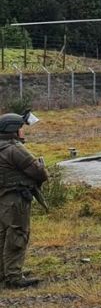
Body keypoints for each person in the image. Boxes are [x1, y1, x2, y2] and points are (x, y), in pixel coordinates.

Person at [0, 112, 48, 289]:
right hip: (16, 198)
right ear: (13, 130)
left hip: (3, 197)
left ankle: (4, 273)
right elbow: (38, 172)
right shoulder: (14, 149)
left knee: (4, 235)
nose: (23, 131)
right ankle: (13, 277)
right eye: (20, 128)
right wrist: (42, 170)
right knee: (18, 234)